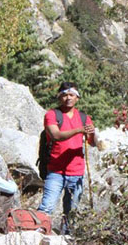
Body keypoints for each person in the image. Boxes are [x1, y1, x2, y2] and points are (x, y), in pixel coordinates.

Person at [37, 81, 96, 233]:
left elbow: (92, 143)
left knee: (71, 212)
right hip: (56, 170)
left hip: (76, 172)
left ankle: (66, 238)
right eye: (64, 95)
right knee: (47, 206)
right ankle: (37, 233)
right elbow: (56, 135)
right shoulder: (52, 115)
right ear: (59, 97)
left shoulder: (84, 118)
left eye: (71, 95)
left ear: (77, 98)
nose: (68, 98)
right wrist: (79, 130)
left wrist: (93, 132)